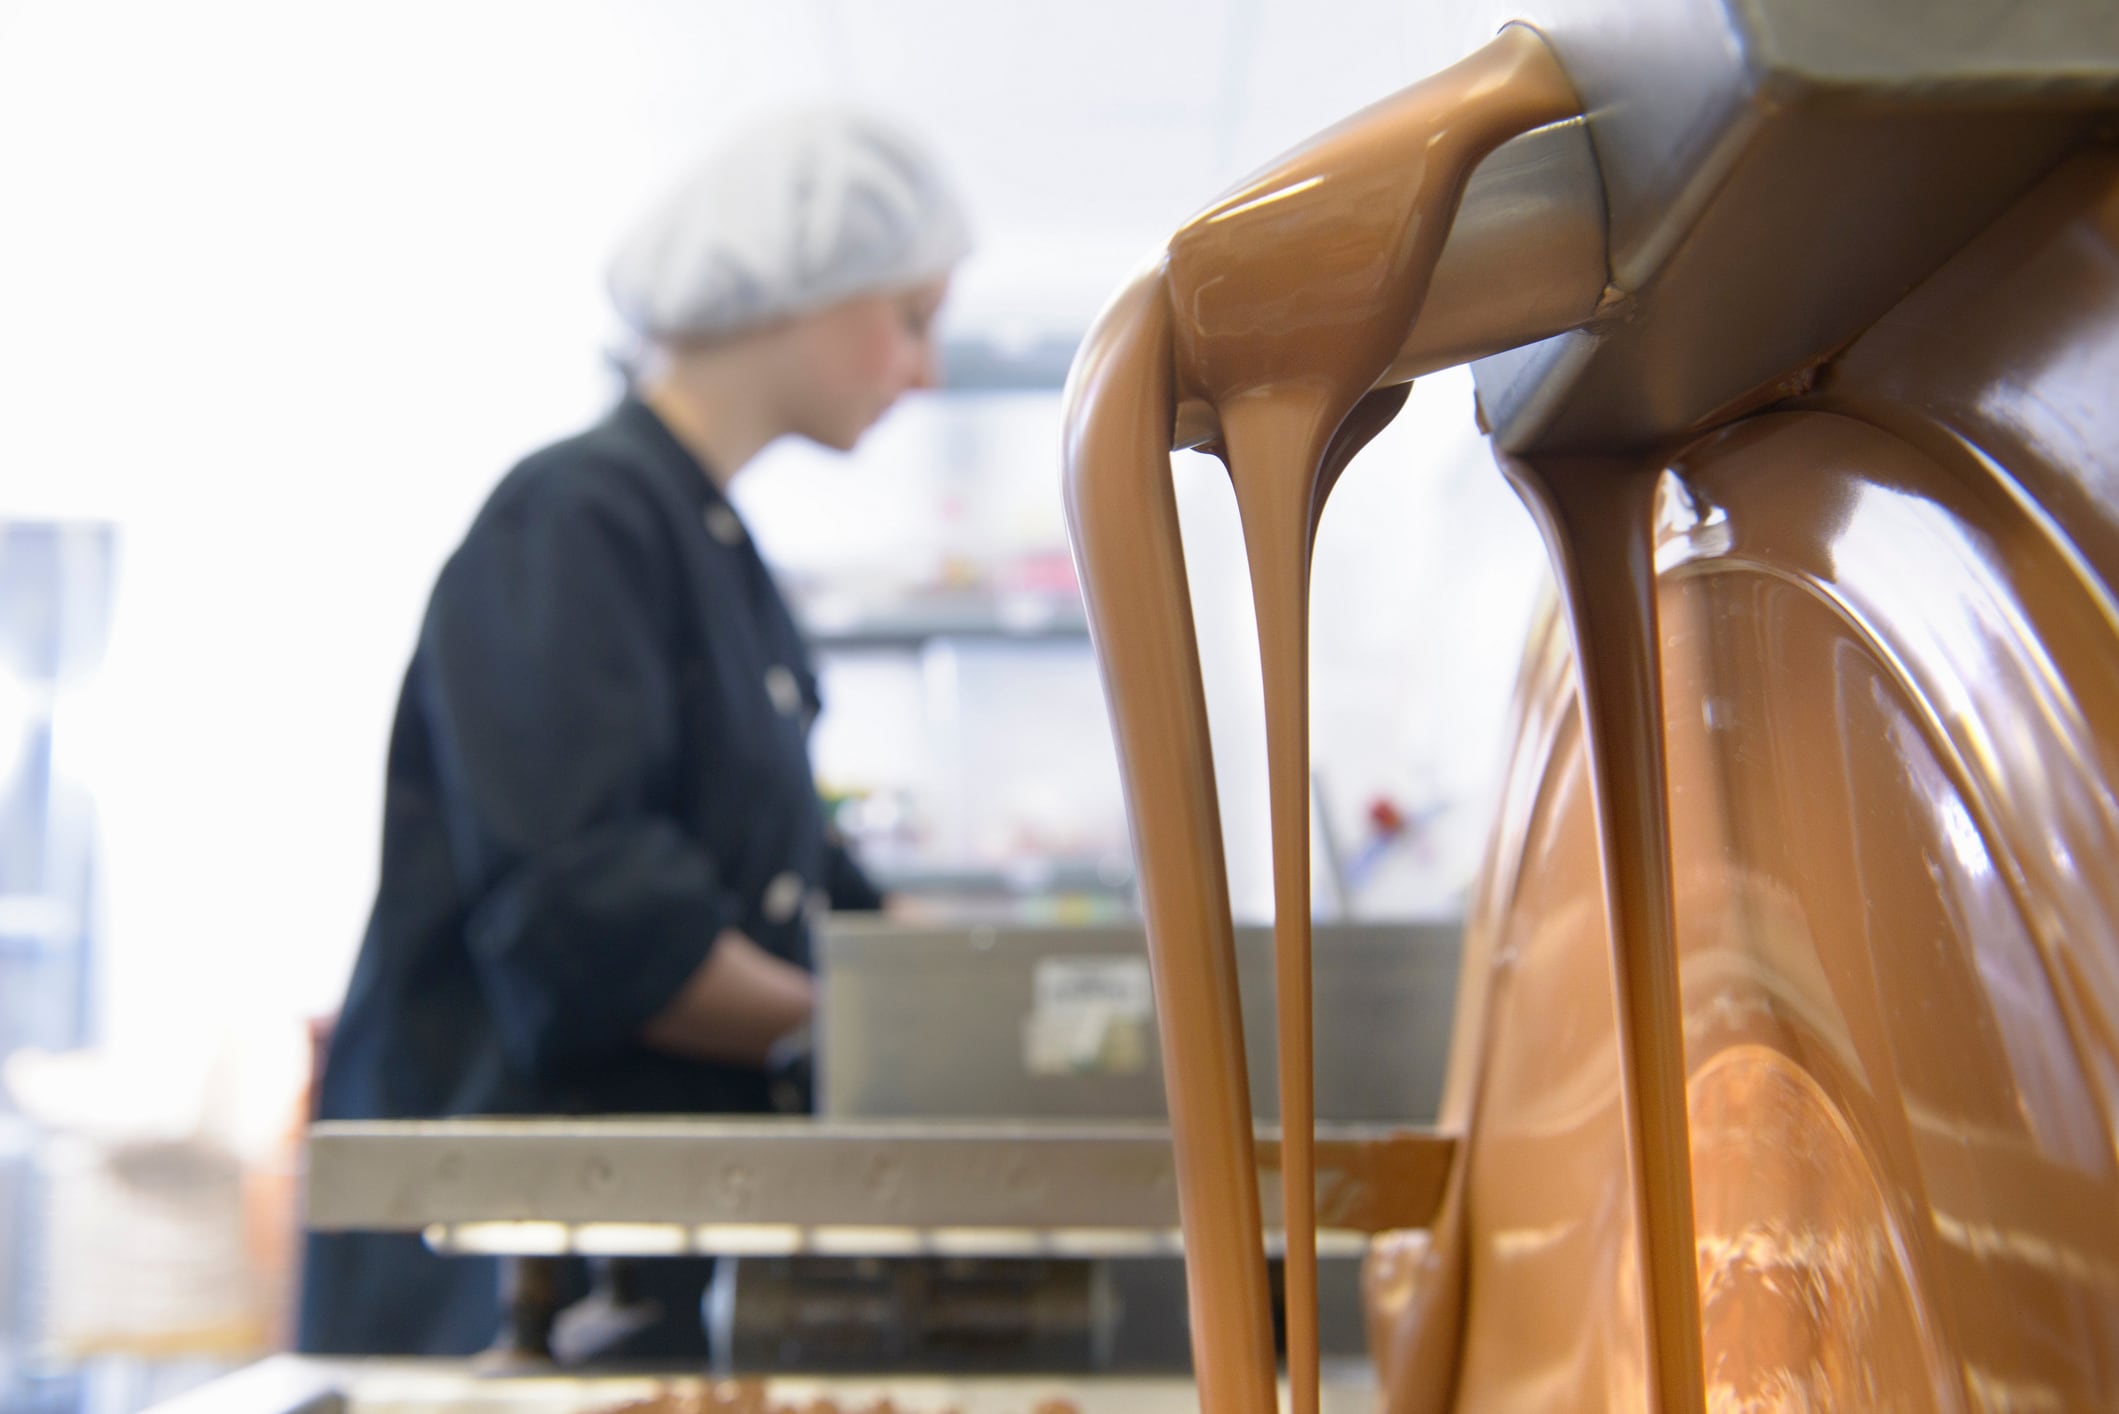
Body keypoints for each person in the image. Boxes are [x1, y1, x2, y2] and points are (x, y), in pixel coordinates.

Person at [298, 105, 971, 1359]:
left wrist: (978, 985)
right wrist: (867, 1034)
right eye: (913, 317)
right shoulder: (574, 518)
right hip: (505, 1264)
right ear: (799, 285)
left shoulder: (718, 553)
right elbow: (589, 917)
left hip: (638, 1236)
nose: (924, 370)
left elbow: (792, 876)